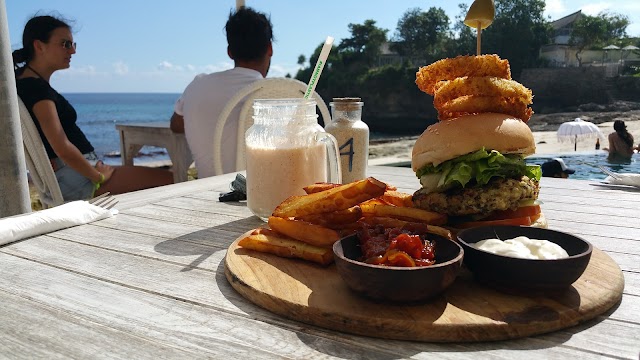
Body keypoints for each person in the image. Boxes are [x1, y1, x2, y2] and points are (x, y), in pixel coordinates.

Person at [13, 15, 173, 201]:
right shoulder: (37, 89)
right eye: (65, 44)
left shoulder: (23, 83)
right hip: (77, 178)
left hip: (72, 174)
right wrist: (98, 176)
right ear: (39, 46)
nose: (72, 51)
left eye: (73, 45)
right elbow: (61, 147)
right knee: (172, 180)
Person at [170, 7, 273, 177]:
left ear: (230, 52)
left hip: (208, 191)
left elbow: (176, 125)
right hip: (262, 195)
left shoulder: (198, 85)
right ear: (269, 48)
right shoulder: (279, 96)